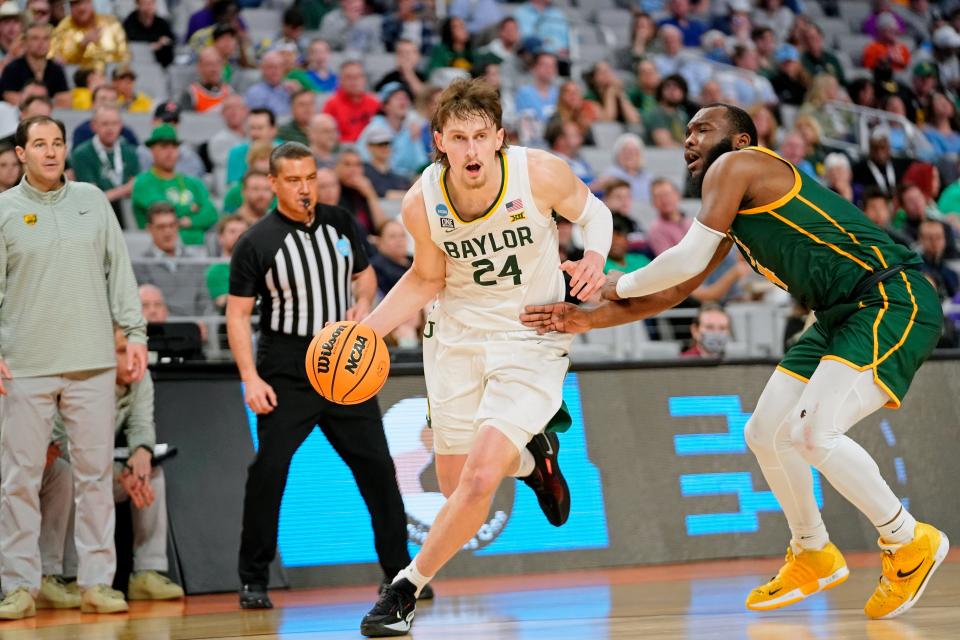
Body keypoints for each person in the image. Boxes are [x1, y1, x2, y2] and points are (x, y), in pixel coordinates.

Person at [522, 103, 948, 621]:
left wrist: (616, 282)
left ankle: (907, 540)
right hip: (839, 314)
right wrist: (589, 320)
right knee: (765, 432)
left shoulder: (738, 166)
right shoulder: (731, 206)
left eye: (702, 129)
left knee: (814, 434)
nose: (689, 141)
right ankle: (812, 550)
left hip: (887, 296)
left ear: (742, 140)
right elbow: (680, 286)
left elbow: (680, 261)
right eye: (685, 132)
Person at [358, 78, 612, 637]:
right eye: (458, 138)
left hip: (531, 336)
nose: (471, 150)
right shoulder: (420, 202)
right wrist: (368, 331)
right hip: (454, 337)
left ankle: (403, 591)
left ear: (499, 137)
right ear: (438, 142)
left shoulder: (539, 173)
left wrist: (594, 254)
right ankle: (533, 461)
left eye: (480, 136)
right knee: (456, 490)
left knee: (476, 482)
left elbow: (595, 214)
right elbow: (427, 277)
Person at [226, 141, 419, 610]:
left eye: (310, 177)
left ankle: (401, 576)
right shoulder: (256, 241)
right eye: (293, 180)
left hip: (343, 360)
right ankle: (253, 579)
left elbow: (365, 274)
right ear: (273, 184)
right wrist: (251, 377)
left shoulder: (339, 222)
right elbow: (236, 315)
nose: (304, 187)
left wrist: (365, 302)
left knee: (378, 469)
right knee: (269, 471)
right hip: (287, 366)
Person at [0, 115, 147, 620]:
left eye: (57, 143)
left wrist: (136, 332)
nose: (50, 152)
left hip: (93, 362)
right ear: (20, 153)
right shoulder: (4, 210)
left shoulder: (93, 201)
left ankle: (96, 583)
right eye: (38, 144)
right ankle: (18, 585)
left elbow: (120, 273)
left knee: (94, 476)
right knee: (18, 478)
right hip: (26, 365)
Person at [131, 124, 217, 245]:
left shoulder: (193, 182)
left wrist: (189, 221)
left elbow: (211, 214)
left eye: (174, 146)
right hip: (156, 251)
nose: (170, 151)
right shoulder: (143, 182)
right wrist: (191, 208)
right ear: (152, 150)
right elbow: (163, 213)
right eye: (164, 146)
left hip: (199, 249)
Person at [133, 202, 212, 317]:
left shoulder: (195, 263)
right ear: (149, 229)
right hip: (160, 330)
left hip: (194, 330)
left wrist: (200, 323)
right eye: (161, 227)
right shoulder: (139, 265)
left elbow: (205, 302)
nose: (168, 231)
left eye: (172, 225)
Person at [71, 105, 141, 226]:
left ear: (121, 125)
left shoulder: (130, 151)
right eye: (105, 124)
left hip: (126, 212)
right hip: (94, 215)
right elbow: (93, 197)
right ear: (94, 126)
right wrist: (124, 189)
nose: (110, 128)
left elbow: (135, 189)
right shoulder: (82, 153)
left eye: (114, 123)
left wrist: (110, 194)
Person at [0, 22, 70, 108]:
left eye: (45, 38)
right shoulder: (12, 69)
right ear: (25, 43)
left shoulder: (56, 69)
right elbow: (10, 97)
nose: (41, 43)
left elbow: (65, 100)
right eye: (35, 38)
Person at [49, 0, 129, 69]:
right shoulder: (63, 28)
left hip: (111, 80)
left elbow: (125, 57)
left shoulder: (112, 24)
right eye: (75, 4)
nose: (81, 8)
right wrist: (81, 45)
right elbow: (54, 59)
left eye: (85, 2)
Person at [322, 60, 380, 143]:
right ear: (340, 80)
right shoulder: (331, 104)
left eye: (357, 77)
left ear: (364, 79)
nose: (353, 81)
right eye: (348, 77)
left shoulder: (374, 103)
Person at [207, 214, 249, 312]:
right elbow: (222, 302)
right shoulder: (216, 270)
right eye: (232, 231)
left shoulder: (258, 265)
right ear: (221, 238)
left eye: (243, 231)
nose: (239, 235)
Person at [122, 0, 175, 67]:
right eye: (145, 4)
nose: (148, 7)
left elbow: (171, 40)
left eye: (151, 3)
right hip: (136, 63)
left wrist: (165, 42)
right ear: (137, 5)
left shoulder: (162, 23)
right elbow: (130, 42)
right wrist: (152, 46)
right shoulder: (129, 23)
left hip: (160, 64)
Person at [180, 47, 233, 113]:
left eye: (217, 63)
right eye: (209, 64)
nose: (214, 69)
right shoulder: (191, 94)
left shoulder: (229, 92)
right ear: (199, 67)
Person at [917, 218, 959, 299]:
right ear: (920, 240)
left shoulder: (951, 272)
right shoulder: (916, 268)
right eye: (929, 238)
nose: (934, 242)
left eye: (939, 237)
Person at [245, 51, 292, 118]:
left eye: (279, 67)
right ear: (262, 69)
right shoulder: (255, 92)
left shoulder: (291, 89)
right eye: (271, 67)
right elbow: (259, 120)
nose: (276, 71)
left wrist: (297, 94)